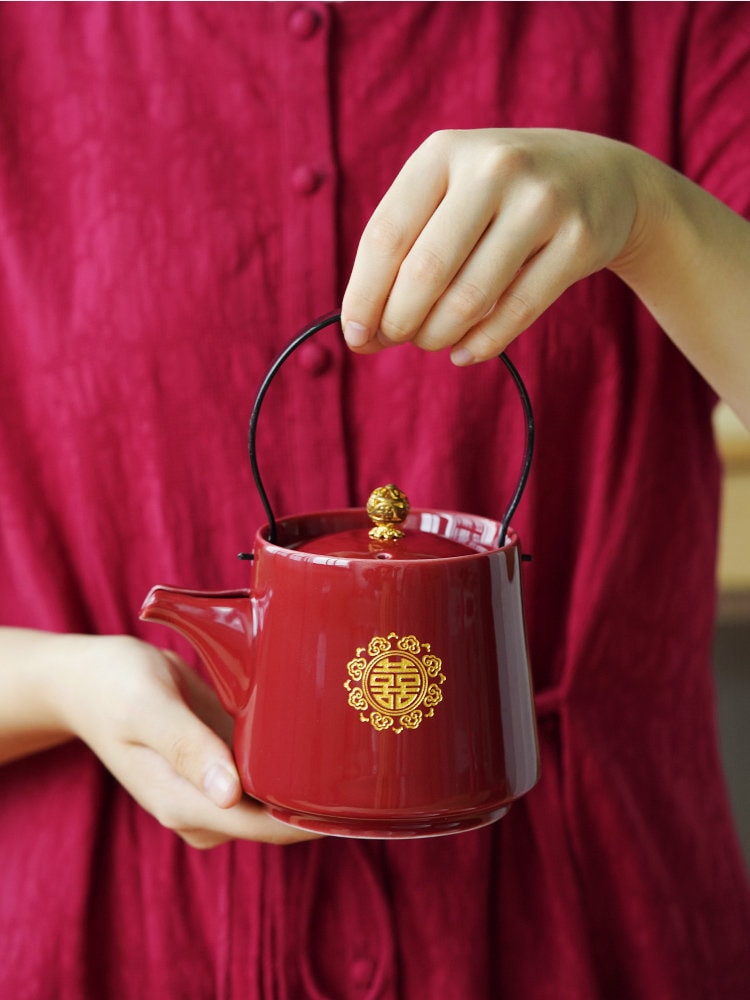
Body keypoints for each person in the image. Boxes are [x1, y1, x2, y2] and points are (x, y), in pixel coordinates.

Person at [1, 2, 748, 997]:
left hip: (595, 920)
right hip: (114, 936)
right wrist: (60, 683)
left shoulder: (673, 24)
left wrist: (653, 215)